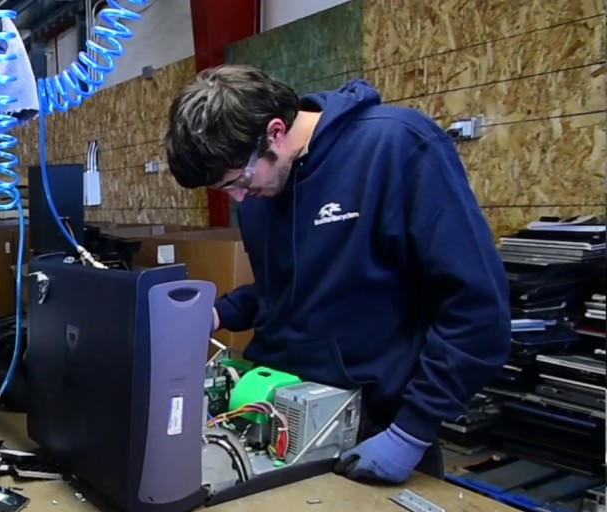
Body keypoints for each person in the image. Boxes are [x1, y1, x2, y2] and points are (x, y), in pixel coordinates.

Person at [163, 65, 510, 484]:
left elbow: (477, 307)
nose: (238, 197)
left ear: (275, 132)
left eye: (238, 181)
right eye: (225, 189)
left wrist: (411, 431)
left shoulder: (397, 146)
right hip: (271, 421)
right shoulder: (262, 184)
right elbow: (287, 287)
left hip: (376, 432)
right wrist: (219, 314)